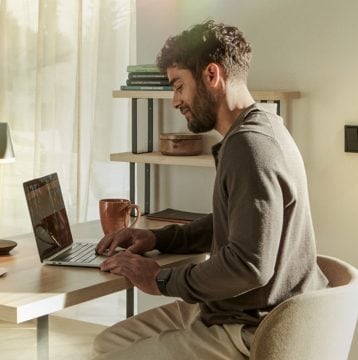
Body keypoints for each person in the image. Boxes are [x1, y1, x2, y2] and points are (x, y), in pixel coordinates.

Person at [92, 20, 328, 360]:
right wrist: (160, 240)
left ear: (211, 75)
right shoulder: (264, 126)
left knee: (111, 355)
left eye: (178, 86)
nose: (175, 101)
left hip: (251, 327)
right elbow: (232, 224)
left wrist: (160, 279)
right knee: (106, 345)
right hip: (245, 311)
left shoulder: (249, 147)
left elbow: (248, 265)